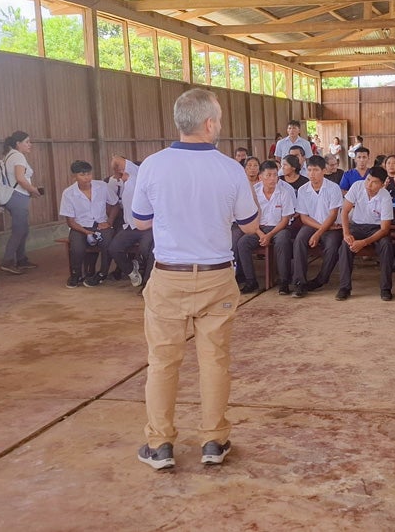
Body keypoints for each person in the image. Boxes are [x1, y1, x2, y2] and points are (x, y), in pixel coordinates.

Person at [132, 88, 259, 470]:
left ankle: (159, 445)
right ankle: (213, 441)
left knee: (162, 362)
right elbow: (251, 224)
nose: (219, 124)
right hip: (216, 277)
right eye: (218, 118)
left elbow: (140, 220)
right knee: (214, 361)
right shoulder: (230, 169)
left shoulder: (152, 166)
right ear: (208, 124)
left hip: (168, 277)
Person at [335, 166, 395, 301]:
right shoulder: (357, 186)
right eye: (368, 180)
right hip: (357, 226)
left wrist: (363, 243)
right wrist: (346, 233)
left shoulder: (385, 197)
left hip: (376, 229)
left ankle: (385, 288)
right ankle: (344, 287)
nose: (369, 185)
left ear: (382, 184)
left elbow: (385, 229)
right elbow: (344, 211)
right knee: (345, 245)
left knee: (386, 246)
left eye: (374, 182)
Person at [235, 160, 295, 294]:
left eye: (275, 175)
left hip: (279, 228)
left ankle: (284, 281)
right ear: (260, 177)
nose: (273, 179)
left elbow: (285, 220)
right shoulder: (253, 192)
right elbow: (249, 216)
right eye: (268, 175)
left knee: (283, 240)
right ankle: (251, 281)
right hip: (258, 228)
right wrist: (260, 233)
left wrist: (269, 235)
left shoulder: (284, 192)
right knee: (242, 243)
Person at [59, 160, 118, 288]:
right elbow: (70, 221)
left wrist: (109, 222)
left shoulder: (102, 186)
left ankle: (102, 273)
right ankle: (76, 274)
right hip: (80, 227)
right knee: (77, 248)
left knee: (107, 244)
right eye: (82, 175)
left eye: (89, 174)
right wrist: (86, 232)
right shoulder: (68, 193)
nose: (87, 178)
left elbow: (115, 204)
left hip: (101, 224)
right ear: (74, 177)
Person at [291, 155, 344, 298]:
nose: (312, 174)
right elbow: (303, 217)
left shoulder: (333, 188)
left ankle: (321, 279)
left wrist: (319, 232)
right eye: (309, 170)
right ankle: (299, 282)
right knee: (299, 240)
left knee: (333, 245)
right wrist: (320, 229)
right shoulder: (303, 190)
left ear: (324, 171)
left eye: (315, 170)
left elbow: (333, 215)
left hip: (332, 225)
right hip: (313, 224)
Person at [106, 156, 154, 294]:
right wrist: (117, 175)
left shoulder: (137, 175)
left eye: (124, 172)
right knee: (114, 248)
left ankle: (147, 284)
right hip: (130, 227)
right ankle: (131, 270)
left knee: (147, 250)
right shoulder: (125, 184)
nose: (122, 175)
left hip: (147, 227)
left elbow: (116, 159)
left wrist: (117, 170)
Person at [0, 131, 43, 275]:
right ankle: (8, 261)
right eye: (27, 142)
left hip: (14, 196)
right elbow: (20, 178)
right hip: (17, 196)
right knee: (19, 229)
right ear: (18, 143)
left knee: (23, 228)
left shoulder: (9, 155)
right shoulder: (18, 156)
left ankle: (21, 259)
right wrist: (33, 190)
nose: (30, 145)